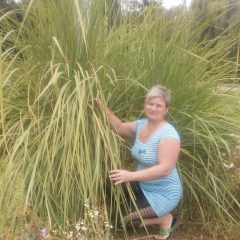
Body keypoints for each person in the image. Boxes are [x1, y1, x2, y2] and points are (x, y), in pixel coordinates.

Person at [94, 85, 182, 240]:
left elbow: (165, 169)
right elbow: (120, 127)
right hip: (143, 185)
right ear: (145, 105)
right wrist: (102, 107)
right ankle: (128, 208)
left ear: (166, 110)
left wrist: (131, 175)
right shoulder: (141, 125)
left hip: (163, 194)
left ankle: (165, 219)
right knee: (110, 181)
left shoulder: (168, 135)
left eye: (159, 105)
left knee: (119, 221)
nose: (153, 108)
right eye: (150, 104)